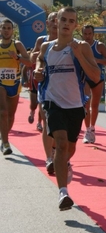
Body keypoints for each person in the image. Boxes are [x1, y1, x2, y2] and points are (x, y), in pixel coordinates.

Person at [34, 7, 100, 211]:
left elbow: (96, 77)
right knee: (62, 144)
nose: (65, 23)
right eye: (63, 19)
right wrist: (38, 70)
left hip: (75, 105)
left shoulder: (81, 47)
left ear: (75, 25)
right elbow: (39, 61)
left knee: (69, 148)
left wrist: (79, 55)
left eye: (71, 21)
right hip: (52, 102)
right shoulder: (46, 47)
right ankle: (63, 193)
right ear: (56, 22)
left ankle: (61, 161)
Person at [31, 12, 58, 174]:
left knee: (61, 127)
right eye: (52, 21)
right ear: (47, 23)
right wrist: (37, 63)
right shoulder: (42, 41)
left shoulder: (69, 42)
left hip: (65, 89)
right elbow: (32, 57)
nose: (55, 24)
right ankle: (49, 158)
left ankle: (55, 150)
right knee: (48, 121)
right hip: (46, 86)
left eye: (58, 20)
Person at [0, 19, 32, 155]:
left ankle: (3, 138)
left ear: (12, 31)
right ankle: (6, 144)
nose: (6, 30)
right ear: (0, 30)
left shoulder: (17, 44)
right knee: (3, 112)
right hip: (0, 82)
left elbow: (29, 62)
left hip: (14, 83)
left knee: (11, 116)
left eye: (8, 28)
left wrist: (17, 58)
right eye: (4, 28)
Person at [81, 25, 106, 144]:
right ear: (82, 34)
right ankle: (87, 131)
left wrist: (98, 60)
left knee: (94, 106)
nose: (87, 36)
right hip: (84, 78)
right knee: (86, 105)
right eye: (85, 34)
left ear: (93, 34)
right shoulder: (80, 46)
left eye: (89, 34)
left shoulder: (99, 46)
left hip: (97, 78)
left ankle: (92, 128)